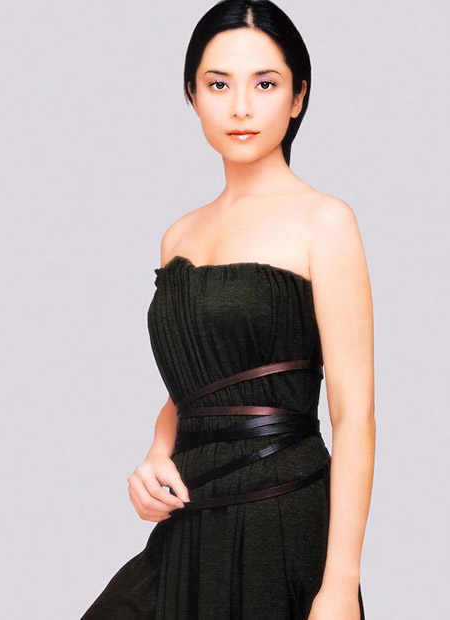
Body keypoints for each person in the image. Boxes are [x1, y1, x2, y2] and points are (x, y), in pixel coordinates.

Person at [80, 1, 375, 619]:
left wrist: (340, 585)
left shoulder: (325, 222)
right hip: (194, 511)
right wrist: (157, 452)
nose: (241, 107)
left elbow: (353, 414)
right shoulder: (178, 236)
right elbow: (196, 387)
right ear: (192, 95)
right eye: (218, 85)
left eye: (265, 84)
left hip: (283, 512)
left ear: (297, 97)